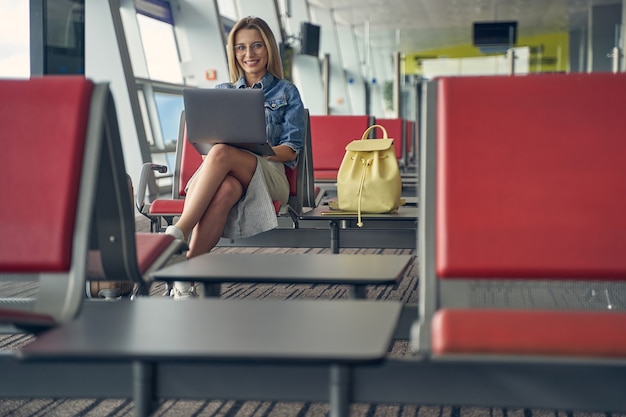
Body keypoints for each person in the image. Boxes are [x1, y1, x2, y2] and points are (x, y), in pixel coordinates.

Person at [165, 16, 306, 298]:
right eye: (241, 48)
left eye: (256, 46)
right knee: (226, 186)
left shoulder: (286, 92)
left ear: (268, 48)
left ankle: (178, 232)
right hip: (227, 172)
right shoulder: (222, 93)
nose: (249, 54)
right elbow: (207, 142)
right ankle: (185, 276)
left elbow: (291, 150)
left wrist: (259, 150)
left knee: (221, 152)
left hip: (270, 173)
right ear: (234, 53)